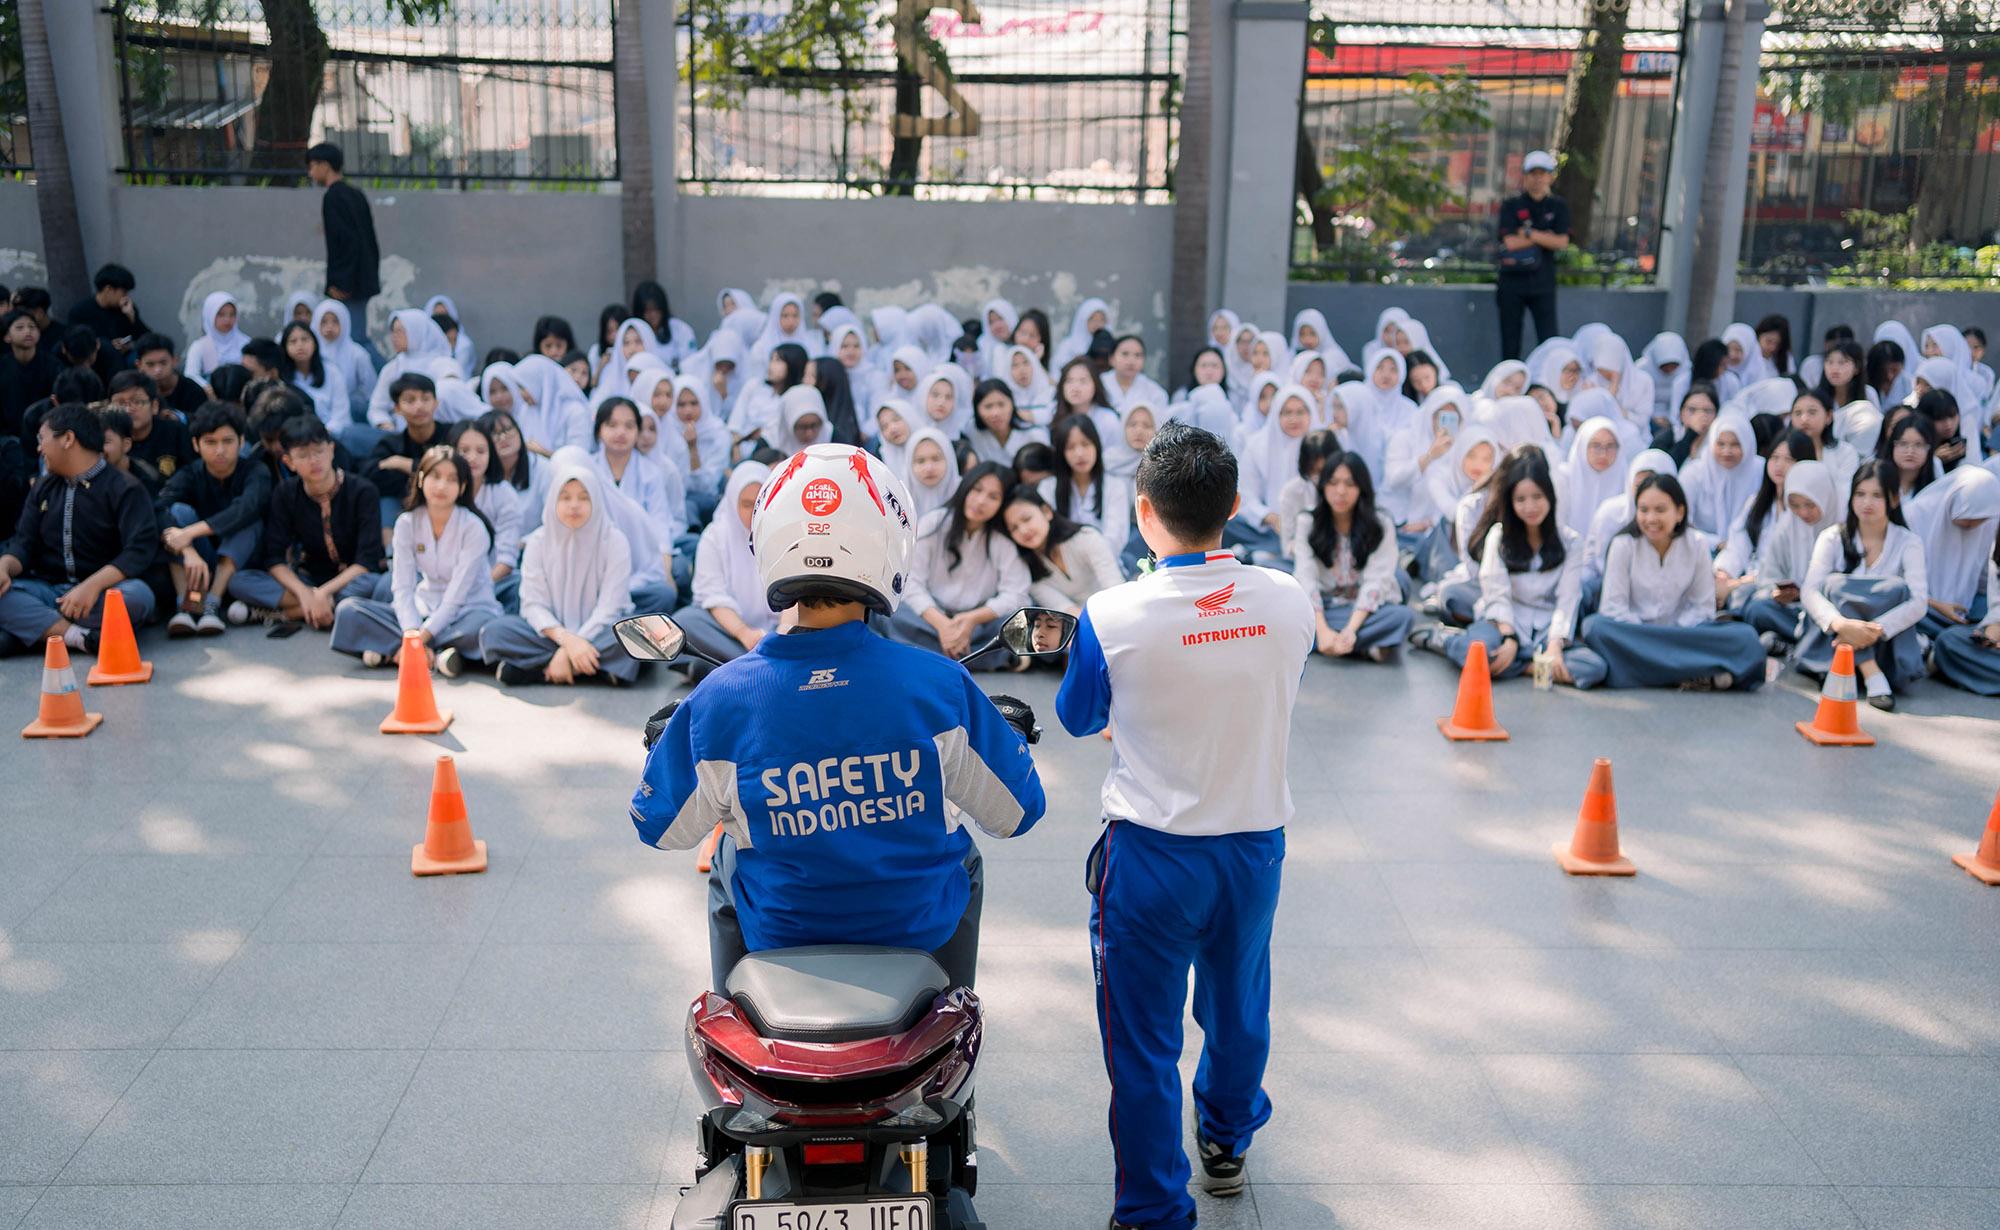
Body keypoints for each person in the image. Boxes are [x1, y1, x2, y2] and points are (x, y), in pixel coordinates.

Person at [631, 442, 1046, 993]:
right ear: (890, 546)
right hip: (917, 931)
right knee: (962, 851)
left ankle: (733, 1004)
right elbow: (1018, 812)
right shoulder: (941, 685)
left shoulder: (720, 697)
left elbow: (658, 827)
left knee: (731, 845)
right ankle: (955, 999)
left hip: (781, 934)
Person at [1050, 420, 1314, 1230]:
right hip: (1253, 846)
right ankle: (1227, 1141)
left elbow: (1077, 715)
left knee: (1143, 1045)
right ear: (1234, 504)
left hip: (1152, 855)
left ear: (1142, 512)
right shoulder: (1287, 598)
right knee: (1238, 1009)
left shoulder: (1111, 613)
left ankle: (1155, 1213)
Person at [1417, 449, 1608, 687]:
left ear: (1550, 496)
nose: (1530, 506)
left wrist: (1555, 647)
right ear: (1511, 502)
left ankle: (1524, 666)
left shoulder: (1570, 542)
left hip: (1546, 629)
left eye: (1537, 497)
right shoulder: (1499, 535)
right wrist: (1509, 638)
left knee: (1593, 667)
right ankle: (1447, 641)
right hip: (1504, 624)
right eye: (1521, 499)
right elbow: (1496, 594)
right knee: (1478, 652)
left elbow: (1567, 600)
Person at [0, 404, 160, 656]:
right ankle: (78, 637)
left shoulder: (125, 487)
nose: (39, 449)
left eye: (42, 439)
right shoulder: (42, 487)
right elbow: (23, 544)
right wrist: (4, 567)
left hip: (101, 595)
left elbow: (138, 551)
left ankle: (40, 629)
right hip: (50, 592)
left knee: (139, 597)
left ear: (68, 439)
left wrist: (91, 586)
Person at [1580, 473, 1766, 690]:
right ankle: (1695, 672)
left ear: (1679, 512)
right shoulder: (1623, 545)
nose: (1651, 519)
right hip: (1634, 635)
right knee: (1595, 627)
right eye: (1644, 510)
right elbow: (1613, 608)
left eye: (1660, 510)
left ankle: (1650, 672)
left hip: (1683, 634)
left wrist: (1673, 631)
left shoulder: (1696, 543)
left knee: (1747, 639)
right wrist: (1648, 634)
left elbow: (1702, 607)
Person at [330, 445, 501, 677]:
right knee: (349, 610)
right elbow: (402, 587)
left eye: (451, 480)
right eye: (435, 476)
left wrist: (420, 638)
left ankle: (396, 652)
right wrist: (412, 632)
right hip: (423, 608)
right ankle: (440, 655)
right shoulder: (406, 524)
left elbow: (456, 598)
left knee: (486, 628)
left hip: (468, 611)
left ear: (462, 488)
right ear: (420, 479)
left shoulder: (473, 528)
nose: (441, 486)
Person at [477, 461, 637, 685]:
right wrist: (567, 641)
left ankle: (539, 669)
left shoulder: (614, 541)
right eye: (565, 497)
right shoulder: (537, 542)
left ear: (597, 501)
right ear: (553, 500)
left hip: (600, 632)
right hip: (551, 635)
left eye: (583, 497)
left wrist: (572, 645)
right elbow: (533, 604)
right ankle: (593, 670)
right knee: (495, 632)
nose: (574, 505)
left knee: (634, 637)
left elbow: (610, 607)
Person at [226, 415, 383, 628]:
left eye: (319, 451)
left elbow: (366, 562)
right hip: (309, 579)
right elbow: (274, 558)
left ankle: (290, 613)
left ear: (331, 450)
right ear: (289, 462)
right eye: (303, 455)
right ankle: (321, 609)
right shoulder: (286, 493)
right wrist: (307, 594)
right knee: (239, 581)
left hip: (352, 581)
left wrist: (323, 593)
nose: (314, 461)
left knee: (378, 585)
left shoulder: (363, 491)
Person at [1797, 460, 1928, 710]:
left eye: (1877, 495)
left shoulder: (1909, 542)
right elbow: (1810, 590)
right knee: (1833, 585)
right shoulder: (1833, 537)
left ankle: (1861, 662)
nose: (1867, 503)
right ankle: (1870, 672)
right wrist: (1841, 624)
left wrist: (1873, 631)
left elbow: (1919, 601)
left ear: (1893, 499)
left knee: (1895, 589)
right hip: (1837, 631)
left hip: (1883, 642)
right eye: (1860, 494)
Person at [891, 461, 1032, 670]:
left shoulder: (1002, 539)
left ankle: (924, 657)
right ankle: (987, 658)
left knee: (1020, 622)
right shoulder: (934, 523)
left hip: (979, 623)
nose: (981, 501)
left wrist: (972, 619)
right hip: (930, 617)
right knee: (891, 614)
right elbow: (911, 582)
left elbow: (1017, 594)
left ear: (1002, 503)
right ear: (965, 487)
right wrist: (942, 625)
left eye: (993, 497)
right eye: (977, 490)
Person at [155, 402, 273, 637]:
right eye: (210, 442)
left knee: (248, 521)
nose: (220, 450)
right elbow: (158, 508)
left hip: (242, 563)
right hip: (199, 559)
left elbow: (245, 509)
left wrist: (190, 533)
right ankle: (189, 604)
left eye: (227, 441)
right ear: (196, 445)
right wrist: (188, 549)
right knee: (177, 513)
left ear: (241, 442)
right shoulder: (189, 474)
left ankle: (212, 605)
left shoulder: (255, 471)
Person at [1294, 451, 1412, 661]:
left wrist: (1350, 630)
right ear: (1323, 486)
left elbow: (1377, 581)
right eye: (1333, 482)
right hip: (1325, 605)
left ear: (1361, 488)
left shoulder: (1380, 523)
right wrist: (1321, 629)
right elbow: (1306, 578)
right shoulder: (1307, 522)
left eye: (1349, 484)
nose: (1340, 491)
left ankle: (1332, 643)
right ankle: (1361, 647)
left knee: (1401, 617)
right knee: (1289, 612)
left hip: (1362, 609)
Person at [672, 461, 779, 665]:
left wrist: (781, 633)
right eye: (747, 504)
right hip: (732, 632)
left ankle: (725, 668)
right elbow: (713, 595)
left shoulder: (784, 534)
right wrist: (744, 633)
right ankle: (761, 666)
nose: (754, 512)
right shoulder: (715, 537)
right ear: (732, 502)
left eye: (760, 503)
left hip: (780, 633)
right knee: (686, 621)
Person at [307, 143, 383, 364]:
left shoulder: (333, 197)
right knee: (356, 338)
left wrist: (342, 283)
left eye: (312, 166)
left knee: (356, 340)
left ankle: (389, 379)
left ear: (325, 165)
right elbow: (368, 240)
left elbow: (346, 242)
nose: (310, 172)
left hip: (349, 284)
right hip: (362, 278)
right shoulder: (355, 194)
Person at [1002, 483, 1123, 616]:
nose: (1023, 530)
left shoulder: (1086, 537)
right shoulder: (1030, 573)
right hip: (1083, 625)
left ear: (1046, 511)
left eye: (1027, 519)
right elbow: (1067, 611)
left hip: (1117, 609)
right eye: (1014, 528)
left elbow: (1116, 590)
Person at [1494, 151, 1571, 360]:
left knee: (1549, 340)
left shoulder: (1558, 206)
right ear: (1525, 176)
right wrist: (1544, 236)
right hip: (1512, 282)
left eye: (1542, 173)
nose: (1537, 179)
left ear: (1551, 177)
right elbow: (1509, 242)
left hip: (1543, 283)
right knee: (1510, 341)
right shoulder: (1511, 205)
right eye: (1532, 173)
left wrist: (1527, 233)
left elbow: (1562, 242)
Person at [363, 373, 444, 535]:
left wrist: (403, 464)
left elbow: (451, 470)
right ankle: (390, 555)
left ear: (436, 403)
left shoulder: (452, 435)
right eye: (410, 400)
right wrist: (419, 475)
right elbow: (369, 474)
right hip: (404, 504)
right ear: (397, 408)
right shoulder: (391, 444)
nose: (419, 406)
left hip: (445, 500)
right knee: (386, 500)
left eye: (425, 399)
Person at [63, 264, 148, 379]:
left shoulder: (126, 308)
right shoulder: (80, 311)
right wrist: (106, 345)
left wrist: (132, 318)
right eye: (123, 292)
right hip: (96, 358)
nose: (126, 297)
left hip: (125, 357)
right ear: (108, 290)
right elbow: (77, 341)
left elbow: (145, 338)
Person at [0, 308, 58, 433]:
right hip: (10, 434)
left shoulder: (52, 364)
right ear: (7, 337)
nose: (28, 331)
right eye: (20, 327)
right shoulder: (3, 366)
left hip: (49, 429)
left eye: (32, 327)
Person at [132, 332, 209, 418]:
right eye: (150, 364)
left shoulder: (194, 391)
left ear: (174, 361)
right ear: (139, 365)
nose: (157, 370)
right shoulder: (134, 392)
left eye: (163, 363)